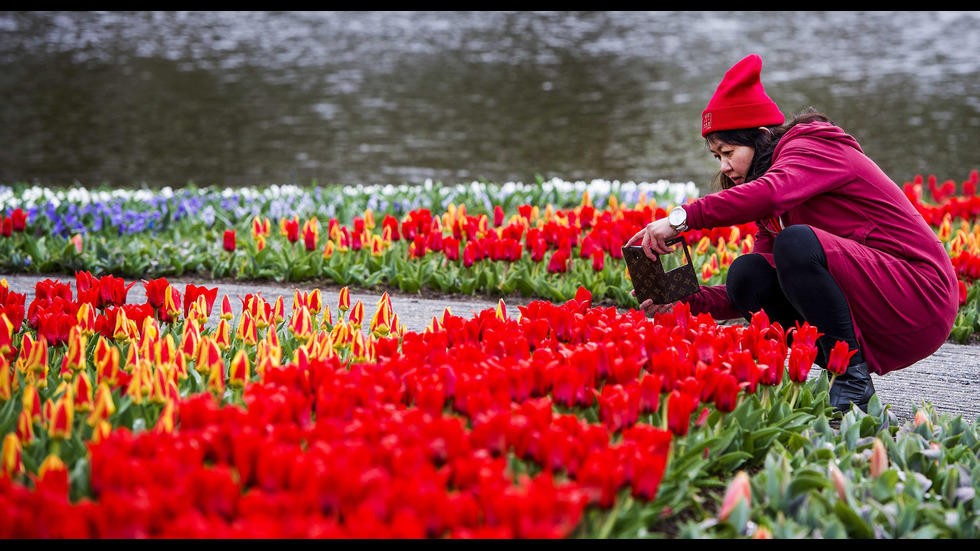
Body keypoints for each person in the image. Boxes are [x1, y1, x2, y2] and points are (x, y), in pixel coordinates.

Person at [627, 54, 959, 412]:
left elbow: (770, 192)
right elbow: (754, 292)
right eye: (716, 156)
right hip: (873, 308)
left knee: (796, 243)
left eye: (729, 152)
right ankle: (849, 379)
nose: (725, 166)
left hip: (920, 294)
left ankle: (849, 381)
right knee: (748, 272)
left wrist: (682, 218)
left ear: (762, 136)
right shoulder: (774, 205)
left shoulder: (812, 146)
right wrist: (685, 299)